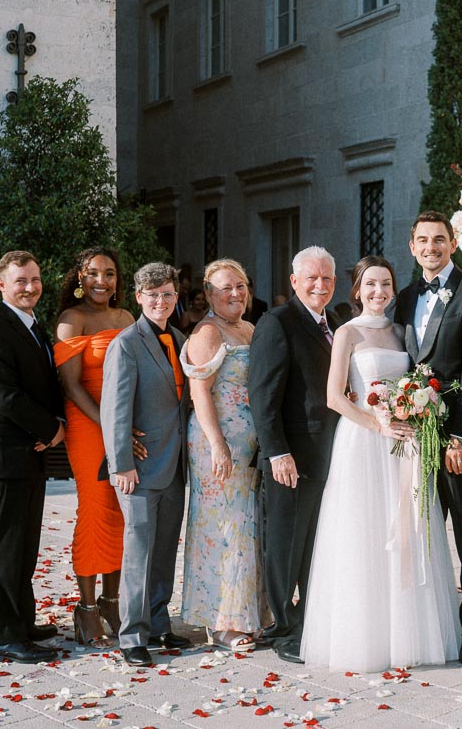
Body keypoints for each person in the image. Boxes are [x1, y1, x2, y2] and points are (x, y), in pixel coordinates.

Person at [301, 256, 461, 670]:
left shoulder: (402, 333)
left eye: (386, 284)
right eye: (370, 284)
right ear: (357, 290)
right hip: (363, 442)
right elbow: (335, 397)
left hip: (404, 444)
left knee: (406, 527)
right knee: (364, 533)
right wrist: (378, 425)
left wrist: (414, 411)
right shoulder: (347, 333)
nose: (379, 292)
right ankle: (365, 638)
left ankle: (406, 635)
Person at [393, 211, 462, 662]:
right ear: (412, 246)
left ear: (453, 244)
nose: (431, 248)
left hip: (454, 439)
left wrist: (461, 438)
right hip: (411, 438)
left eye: (439, 240)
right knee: (418, 534)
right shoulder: (404, 296)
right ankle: (425, 632)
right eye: (423, 241)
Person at [0, 251, 66, 664]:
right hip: (4, 456)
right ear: (1, 285)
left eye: (34, 278)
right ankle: (4, 635)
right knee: (4, 549)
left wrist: (54, 423)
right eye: (20, 281)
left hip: (30, 454)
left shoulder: (32, 327)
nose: (30, 287)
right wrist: (52, 429)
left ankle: (23, 622)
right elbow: (5, 395)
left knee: (25, 547)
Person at [249, 246, 340, 664]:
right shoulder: (277, 323)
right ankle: (284, 628)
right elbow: (262, 396)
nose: (319, 285)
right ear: (294, 282)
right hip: (292, 457)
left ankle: (306, 620)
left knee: (312, 544)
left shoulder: (335, 321)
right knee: (285, 545)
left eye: (326, 278)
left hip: (328, 454)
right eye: (311, 278)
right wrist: (276, 452)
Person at [100, 262, 189, 667]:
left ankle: (158, 623)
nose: (160, 301)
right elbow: (114, 409)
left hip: (175, 464)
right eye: (152, 295)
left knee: (166, 547)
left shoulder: (181, 338)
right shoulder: (126, 343)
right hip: (137, 466)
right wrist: (121, 463)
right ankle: (132, 635)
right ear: (138, 297)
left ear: (175, 297)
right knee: (138, 549)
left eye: (167, 294)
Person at [179, 259, 268, 652]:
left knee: (248, 527)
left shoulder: (248, 328)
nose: (236, 293)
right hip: (219, 443)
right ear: (210, 295)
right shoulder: (208, 332)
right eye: (225, 288)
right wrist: (218, 444)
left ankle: (249, 612)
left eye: (241, 285)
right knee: (224, 528)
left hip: (249, 446)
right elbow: (200, 393)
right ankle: (222, 622)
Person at [54, 247, 136, 645]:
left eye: (109, 273)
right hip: (88, 424)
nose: (101, 281)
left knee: (123, 509)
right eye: (92, 274)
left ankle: (111, 601)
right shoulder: (72, 320)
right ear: (79, 280)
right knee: (95, 508)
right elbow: (69, 384)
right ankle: (85, 608)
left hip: (124, 423)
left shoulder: (127, 318)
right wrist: (110, 426)